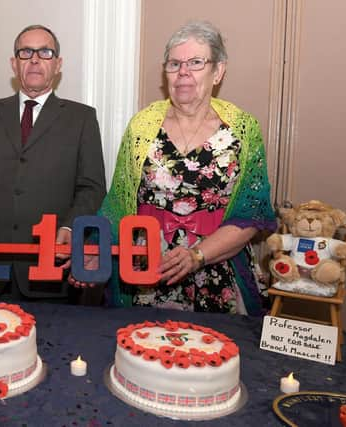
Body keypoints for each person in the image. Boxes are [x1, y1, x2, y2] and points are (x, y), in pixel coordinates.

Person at [70, 21, 276, 315]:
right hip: (147, 272)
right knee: (144, 353)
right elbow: (118, 205)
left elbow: (250, 215)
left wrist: (197, 255)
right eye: (174, 63)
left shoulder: (243, 129)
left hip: (217, 272)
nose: (183, 72)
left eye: (195, 62)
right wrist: (93, 252)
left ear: (218, 71)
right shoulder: (142, 126)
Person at [0, 25, 107, 302]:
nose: (34, 59)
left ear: (58, 64)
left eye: (45, 52)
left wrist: (68, 228)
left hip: (49, 271)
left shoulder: (82, 118)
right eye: (26, 52)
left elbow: (91, 186)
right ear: (14, 63)